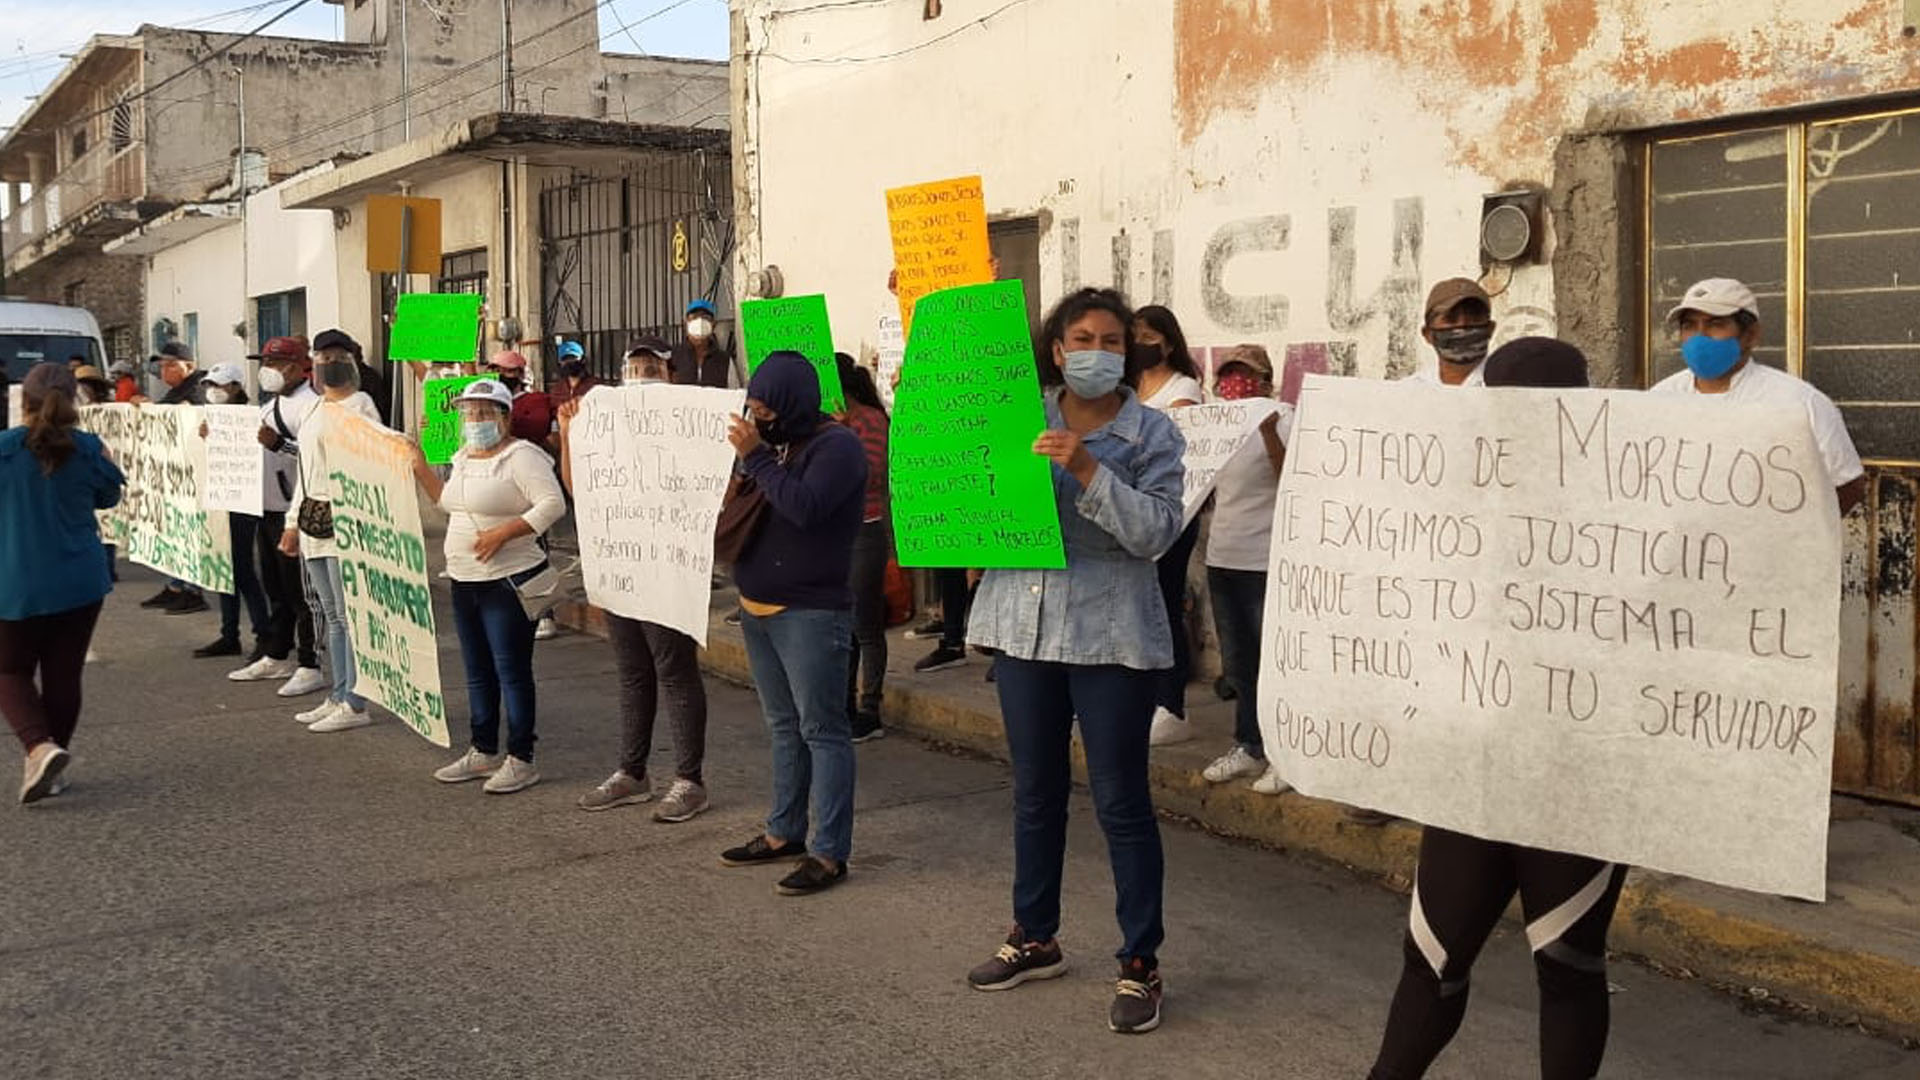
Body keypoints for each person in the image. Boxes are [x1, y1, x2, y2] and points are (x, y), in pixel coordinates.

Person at [1367, 336, 1629, 1080]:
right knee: (1432, 960)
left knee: (1569, 965)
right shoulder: (1451, 500)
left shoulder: (1636, 507)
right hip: (1474, 772)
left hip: (1578, 779)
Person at [963, 287, 1184, 1035]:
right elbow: (970, 488)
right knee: (1034, 791)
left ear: (1131, 351)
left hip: (1111, 637)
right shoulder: (1013, 414)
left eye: (1114, 340)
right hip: (1024, 631)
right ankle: (1035, 934)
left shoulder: (1152, 433)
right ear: (1057, 348)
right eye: (1083, 336)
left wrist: (1090, 471)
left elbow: (1156, 533)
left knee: (1121, 802)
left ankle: (1140, 963)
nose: (1099, 350)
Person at [717, 351, 867, 896]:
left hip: (810, 611)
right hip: (757, 606)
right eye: (752, 408)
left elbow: (803, 507)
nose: (758, 418)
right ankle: (784, 831)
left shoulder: (837, 448)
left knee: (822, 731)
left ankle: (828, 853)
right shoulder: (769, 443)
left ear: (791, 406)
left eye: (766, 409)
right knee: (783, 728)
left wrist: (756, 458)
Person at [554, 354, 711, 821]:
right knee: (632, 672)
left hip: (665, 567)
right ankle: (632, 772)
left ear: (670, 375)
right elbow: (577, 485)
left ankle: (690, 780)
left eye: (652, 369)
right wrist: (568, 436)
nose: (642, 378)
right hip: (621, 565)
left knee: (674, 670)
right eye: (635, 369)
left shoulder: (687, 422)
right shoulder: (608, 426)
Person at [417, 379, 568, 795]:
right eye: (469, 413)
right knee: (477, 670)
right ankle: (482, 749)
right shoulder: (464, 456)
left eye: (485, 413)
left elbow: (552, 504)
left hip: (509, 580)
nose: (475, 420)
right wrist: (417, 463)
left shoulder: (522, 457)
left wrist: (504, 533)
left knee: (511, 670)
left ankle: (522, 758)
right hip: (465, 578)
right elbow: (447, 502)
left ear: (504, 417)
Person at [0, 363, 123, 803]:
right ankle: (51, 758)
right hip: (80, 579)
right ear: (73, 400)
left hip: (16, 579)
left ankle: (39, 747)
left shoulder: (5, 450)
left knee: (10, 669)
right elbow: (109, 496)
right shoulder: (89, 448)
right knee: (63, 672)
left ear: (24, 400)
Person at [1651, 277, 1866, 516]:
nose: (1700, 337)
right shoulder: (1660, 399)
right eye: (1690, 325)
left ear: (1750, 335)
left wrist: (1795, 538)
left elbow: (1848, 486)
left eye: (1715, 324)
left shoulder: (1799, 403)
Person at [1195, 345, 1293, 795]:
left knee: (1274, 665)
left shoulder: (1285, 417)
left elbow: (1292, 478)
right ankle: (1249, 745)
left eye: (1247, 376)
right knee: (1239, 664)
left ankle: (1285, 756)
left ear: (1266, 380)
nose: (1237, 384)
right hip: (1224, 557)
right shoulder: (1217, 425)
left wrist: (1268, 430)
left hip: (1266, 561)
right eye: (1230, 376)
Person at [279, 332, 384, 731]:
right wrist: (292, 524)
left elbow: (370, 459)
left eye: (336, 356)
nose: (328, 362)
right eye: (322, 356)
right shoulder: (313, 409)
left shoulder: (360, 405)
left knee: (347, 614)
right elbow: (307, 473)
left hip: (345, 521)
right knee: (331, 615)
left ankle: (356, 702)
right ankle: (339, 692)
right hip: (313, 521)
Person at [229, 337, 328, 697]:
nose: (267, 370)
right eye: (266, 363)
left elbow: (318, 457)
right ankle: (277, 652)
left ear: (295, 366)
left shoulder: (312, 406)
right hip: (267, 507)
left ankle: (310, 662)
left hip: (293, 511)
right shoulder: (272, 404)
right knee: (276, 588)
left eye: (275, 363)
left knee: (302, 593)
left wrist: (278, 445)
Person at [1131, 306, 1207, 747]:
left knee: (1164, 604)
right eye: (1134, 336)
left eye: (1148, 337)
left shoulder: (1184, 389)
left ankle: (1171, 703)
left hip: (1174, 514)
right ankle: (1146, 696)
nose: (1140, 345)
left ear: (1168, 343)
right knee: (1140, 607)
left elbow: (1172, 441)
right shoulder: (1133, 387)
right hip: (1134, 514)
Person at [191, 363, 270, 662]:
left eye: (220, 385)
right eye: (210, 385)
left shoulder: (253, 416)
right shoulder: (213, 417)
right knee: (225, 567)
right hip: (220, 497)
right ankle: (229, 634)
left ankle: (263, 634)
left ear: (236, 387)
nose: (214, 391)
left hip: (243, 500)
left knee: (243, 570)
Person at [835, 353, 892, 742]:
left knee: (866, 626)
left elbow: (870, 474)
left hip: (865, 531)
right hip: (835, 534)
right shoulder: (823, 425)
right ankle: (844, 705)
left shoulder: (870, 421)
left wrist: (841, 436)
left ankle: (870, 708)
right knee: (844, 627)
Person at [136, 341, 210, 615]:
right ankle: (176, 586)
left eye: (171, 365)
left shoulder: (197, 391)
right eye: (162, 365)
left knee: (188, 533)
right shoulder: (177, 391)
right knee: (176, 533)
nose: (164, 371)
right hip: (176, 476)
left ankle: (193, 590)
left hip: (193, 477)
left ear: (188, 365)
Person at [1407, 278, 1494, 387]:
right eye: (1450, 318)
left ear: (1491, 329)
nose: (1463, 324)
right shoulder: (1409, 391)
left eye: (1474, 317)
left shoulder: (1511, 385)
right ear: (1427, 334)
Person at [311, 328, 389, 427]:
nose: (333, 362)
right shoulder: (312, 408)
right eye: (326, 358)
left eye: (341, 358)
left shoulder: (361, 403)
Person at [483, 350, 557, 449]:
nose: (501, 375)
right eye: (497, 371)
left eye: (508, 371)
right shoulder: (484, 405)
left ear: (521, 374)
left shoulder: (539, 401)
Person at [672, 299, 738, 389]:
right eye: (694, 317)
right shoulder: (673, 356)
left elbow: (734, 393)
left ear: (713, 324)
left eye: (705, 318)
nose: (700, 322)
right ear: (685, 324)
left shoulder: (725, 361)